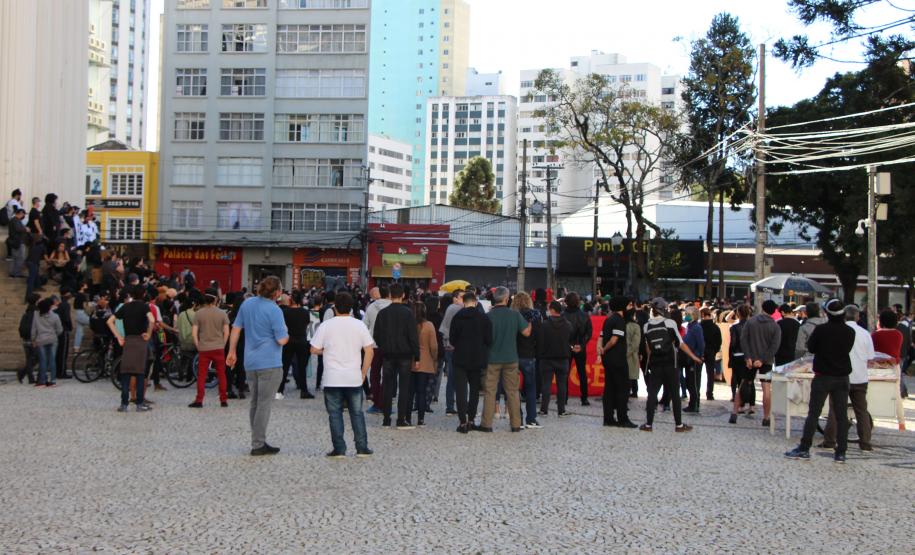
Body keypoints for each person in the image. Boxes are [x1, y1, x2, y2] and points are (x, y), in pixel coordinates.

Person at [785, 299, 856, 463]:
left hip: (823, 376)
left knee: (814, 414)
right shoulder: (850, 332)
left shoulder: (821, 330)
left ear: (826, 313)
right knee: (841, 415)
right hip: (842, 377)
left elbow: (811, 348)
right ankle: (841, 452)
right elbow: (847, 348)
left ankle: (804, 448)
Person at [227, 276, 289, 456]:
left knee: (254, 402)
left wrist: (232, 351)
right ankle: (258, 443)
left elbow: (236, 328)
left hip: (250, 361)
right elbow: (282, 339)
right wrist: (286, 332)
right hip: (269, 361)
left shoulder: (247, 304)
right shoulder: (275, 310)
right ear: (277, 292)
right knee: (264, 404)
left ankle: (257, 440)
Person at [309, 291, 374, 458]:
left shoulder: (326, 325)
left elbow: (314, 349)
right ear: (351, 307)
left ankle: (339, 448)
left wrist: (327, 351)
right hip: (353, 377)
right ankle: (362, 447)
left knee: (335, 414)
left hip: (332, 378)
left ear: (334, 307)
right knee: (357, 413)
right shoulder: (359, 325)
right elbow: (369, 351)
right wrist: (363, 372)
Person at [640, 298, 699, 432]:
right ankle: (679, 425)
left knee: (652, 394)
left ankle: (648, 425)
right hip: (671, 363)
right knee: (674, 393)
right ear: (663, 310)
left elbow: (648, 348)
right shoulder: (670, 323)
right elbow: (681, 344)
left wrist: (648, 361)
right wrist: (694, 356)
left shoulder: (646, 326)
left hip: (655, 364)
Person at [821, 304, 875, 451]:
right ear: (858, 316)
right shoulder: (865, 334)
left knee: (835, 409)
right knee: (861, 411)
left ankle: (830, 441)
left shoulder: (838, 332)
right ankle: (865, 442)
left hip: (840, 376)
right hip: (860, 377)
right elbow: (870, 357)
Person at [479, 287, 532, 433]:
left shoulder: (488, 316)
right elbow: (526, 333)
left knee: (490, 391)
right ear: (507, 299)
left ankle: (486, 424)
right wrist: (531, 322)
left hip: (492, 359)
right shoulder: (514, 315)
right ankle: (515, 424)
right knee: (513, 392)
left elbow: (482, 338)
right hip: (511, 358)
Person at [373, 283, 420, 429]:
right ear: (403, 295)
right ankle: (401, 419)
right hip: (405, 355)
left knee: (387, 386)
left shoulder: (382, 313)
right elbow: (413, 337)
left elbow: (377, 335)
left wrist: (384, 347)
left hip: (388, 354)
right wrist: (417, 356)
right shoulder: (408, 313)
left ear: (389, 295)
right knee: (404, 387)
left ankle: (386, 418)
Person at [108, 285, 156, 412]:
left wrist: (119, 337)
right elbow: (152, 320)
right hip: (140, 342)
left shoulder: (125, 306)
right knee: (140, 373)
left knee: (126, 373)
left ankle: (124, 404)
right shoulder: (145, 306)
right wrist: (149, 334)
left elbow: (109, 321)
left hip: (128, 341)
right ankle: (139, 404)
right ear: (144, 294)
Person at [449, 291, 492, 433]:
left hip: (460, 358)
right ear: (475, 301)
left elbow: (452, 339)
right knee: (474, 390)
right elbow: (489, 340)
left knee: (461, 390)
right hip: (477, 358)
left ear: (463, 302)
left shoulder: (457, 317)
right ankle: (472, 419)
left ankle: (462, 422)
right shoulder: (483, 318)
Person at [596, 296, 637, 428]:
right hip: (618, 359)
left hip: (608, 360)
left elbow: (601, 337)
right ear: (622, 306)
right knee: (623, 388)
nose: (631, 308)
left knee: (609, 389)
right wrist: (605, 349)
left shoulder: (608, 319)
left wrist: (600, 350)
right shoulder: (619, 321)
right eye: (629, 305)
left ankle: (608, 418)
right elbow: (614, 340)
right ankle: (622, 419)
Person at [741, 300, 781, 426]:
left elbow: (743, 339)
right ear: (774, 311)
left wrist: (748, 357)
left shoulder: (751, 321)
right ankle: (766, 416)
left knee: (743, 383)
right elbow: (775, 346)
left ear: (762, 307)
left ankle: (736, 411)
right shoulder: (775, 326)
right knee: (766, 389)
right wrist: (762, 359)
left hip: (750, 359)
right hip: (767, 361)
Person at [189, 288, 230, 408]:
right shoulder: (222, 313)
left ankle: (199, 399)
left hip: (204, 348)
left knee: (202, 374)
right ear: (215, 299)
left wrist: (198, 345)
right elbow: (226, 332)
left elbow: (194, 333)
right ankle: (223, 399)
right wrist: (223, 344)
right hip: (218, 347)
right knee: (221, 374)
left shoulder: (199, 313)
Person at [511, 291, 542, 429]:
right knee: (530, 388)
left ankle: (518, 419)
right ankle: (531, 419)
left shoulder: (512, 315)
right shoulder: (536, 315)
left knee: (514, 389)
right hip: (529, 354)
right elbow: (540, 336)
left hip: (513, 355)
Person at [537, 300, 573, 418]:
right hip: (563, 359)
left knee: (546, 384)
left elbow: (540, 342)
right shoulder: (568, 325)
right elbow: (570, 341)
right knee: (562, 385)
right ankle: (561, 410)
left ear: (552, 310)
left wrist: (541, 354)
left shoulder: (544, 325)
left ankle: (544, 410)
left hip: (546, 359)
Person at [279, 290, 313, 400]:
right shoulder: (305, 312)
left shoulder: (285, 312)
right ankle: (304, 390)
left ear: (290, 299)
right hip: (302, 340)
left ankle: (280, 390)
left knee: (285, 366)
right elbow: (307, 324)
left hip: (289, 340)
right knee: (302, 367)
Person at [363, 285, 391, 413]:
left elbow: (364, 326)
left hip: (374, 345)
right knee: (388, 375)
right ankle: (385, 402)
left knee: (374, 374)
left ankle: (376, 402)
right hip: (390, 345)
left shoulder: (371, 307)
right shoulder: (392, 306)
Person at [563, 292, 593, 407]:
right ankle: (584, 398)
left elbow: (561, 333)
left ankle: (564, 397)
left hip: (567, 347)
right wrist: (581, 344)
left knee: (564, 373)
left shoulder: (562, 315)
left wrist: (571, 345)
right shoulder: (584, 315)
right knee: (582, 373)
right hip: (580, 347)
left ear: (566, 302)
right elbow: (589, 333)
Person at [439, 289, 465, 416]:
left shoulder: (450, 307)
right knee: (455, 377)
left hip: (448, 345)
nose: (463, 300)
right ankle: (451, 405)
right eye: (462, 297)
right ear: (455, 298)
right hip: (454, 346)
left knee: (452, 377)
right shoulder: (456, 308)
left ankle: (451, 405)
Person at [412, 301, 438, 427]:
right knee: (422, 392)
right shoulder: (429, 325)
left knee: (410, 390)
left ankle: (406, 415)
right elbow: (433, 346)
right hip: (425, 361)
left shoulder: (410, 324)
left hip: (411, 361)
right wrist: (434, 358)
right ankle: (420, 419)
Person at [727, 305, 756, 423]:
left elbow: (733, 343)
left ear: (738, 313)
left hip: (738, 355)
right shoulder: (753, 326)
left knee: (740, 381)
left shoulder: (734, 327)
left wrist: (730, 356)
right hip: (750, 355)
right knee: (750, 381)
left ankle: (741, 405)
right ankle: (752, 405)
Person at [31, 297, 63, 387]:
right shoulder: (55, 316)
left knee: (43, 360)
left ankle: (42, 381)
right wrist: (54, 334)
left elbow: (33, 328)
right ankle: (52, 380)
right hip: (52, 339)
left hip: (41, 339)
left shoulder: (36, 314)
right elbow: (60, 329)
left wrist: (33, 339)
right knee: (52, 360)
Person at [682, 305, 705, 413]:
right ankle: (692, 403)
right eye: (685, 314)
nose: (686, 316)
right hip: (688, 357)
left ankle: (694, 405)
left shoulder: (696, 327)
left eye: (688, 314)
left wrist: (699, 356)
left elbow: (701, 344)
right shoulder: (689, 326)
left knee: (694, 383)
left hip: (694, 358)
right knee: (689, 382)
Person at [699, 307, 722, 400]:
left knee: (698, 374)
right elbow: (719, 341)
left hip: (700, 352)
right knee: (710, 374)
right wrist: (714, 350)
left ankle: (697, 393)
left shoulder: (699, 326)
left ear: (703, 315)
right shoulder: (715, 327)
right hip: (711, 351)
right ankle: (710, 394)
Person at [625, 307, 642, 398]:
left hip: (623, 353)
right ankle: (634, 391)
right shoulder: (636, 326)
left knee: (627, 375)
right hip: (632, 354)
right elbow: (636, 343)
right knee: (633, 375)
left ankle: (629, 392)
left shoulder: (622, 324)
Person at [8, 208, 27, 277]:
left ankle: (13, 272)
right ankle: (16, 273)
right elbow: (18, 229)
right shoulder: (15, 220)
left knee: (15, 257)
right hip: (18, 241)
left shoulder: (14, 220)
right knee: (20, 257)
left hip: (15, 241)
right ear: (21, 213)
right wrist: (26, 229)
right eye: (23, 215)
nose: (23, 216)